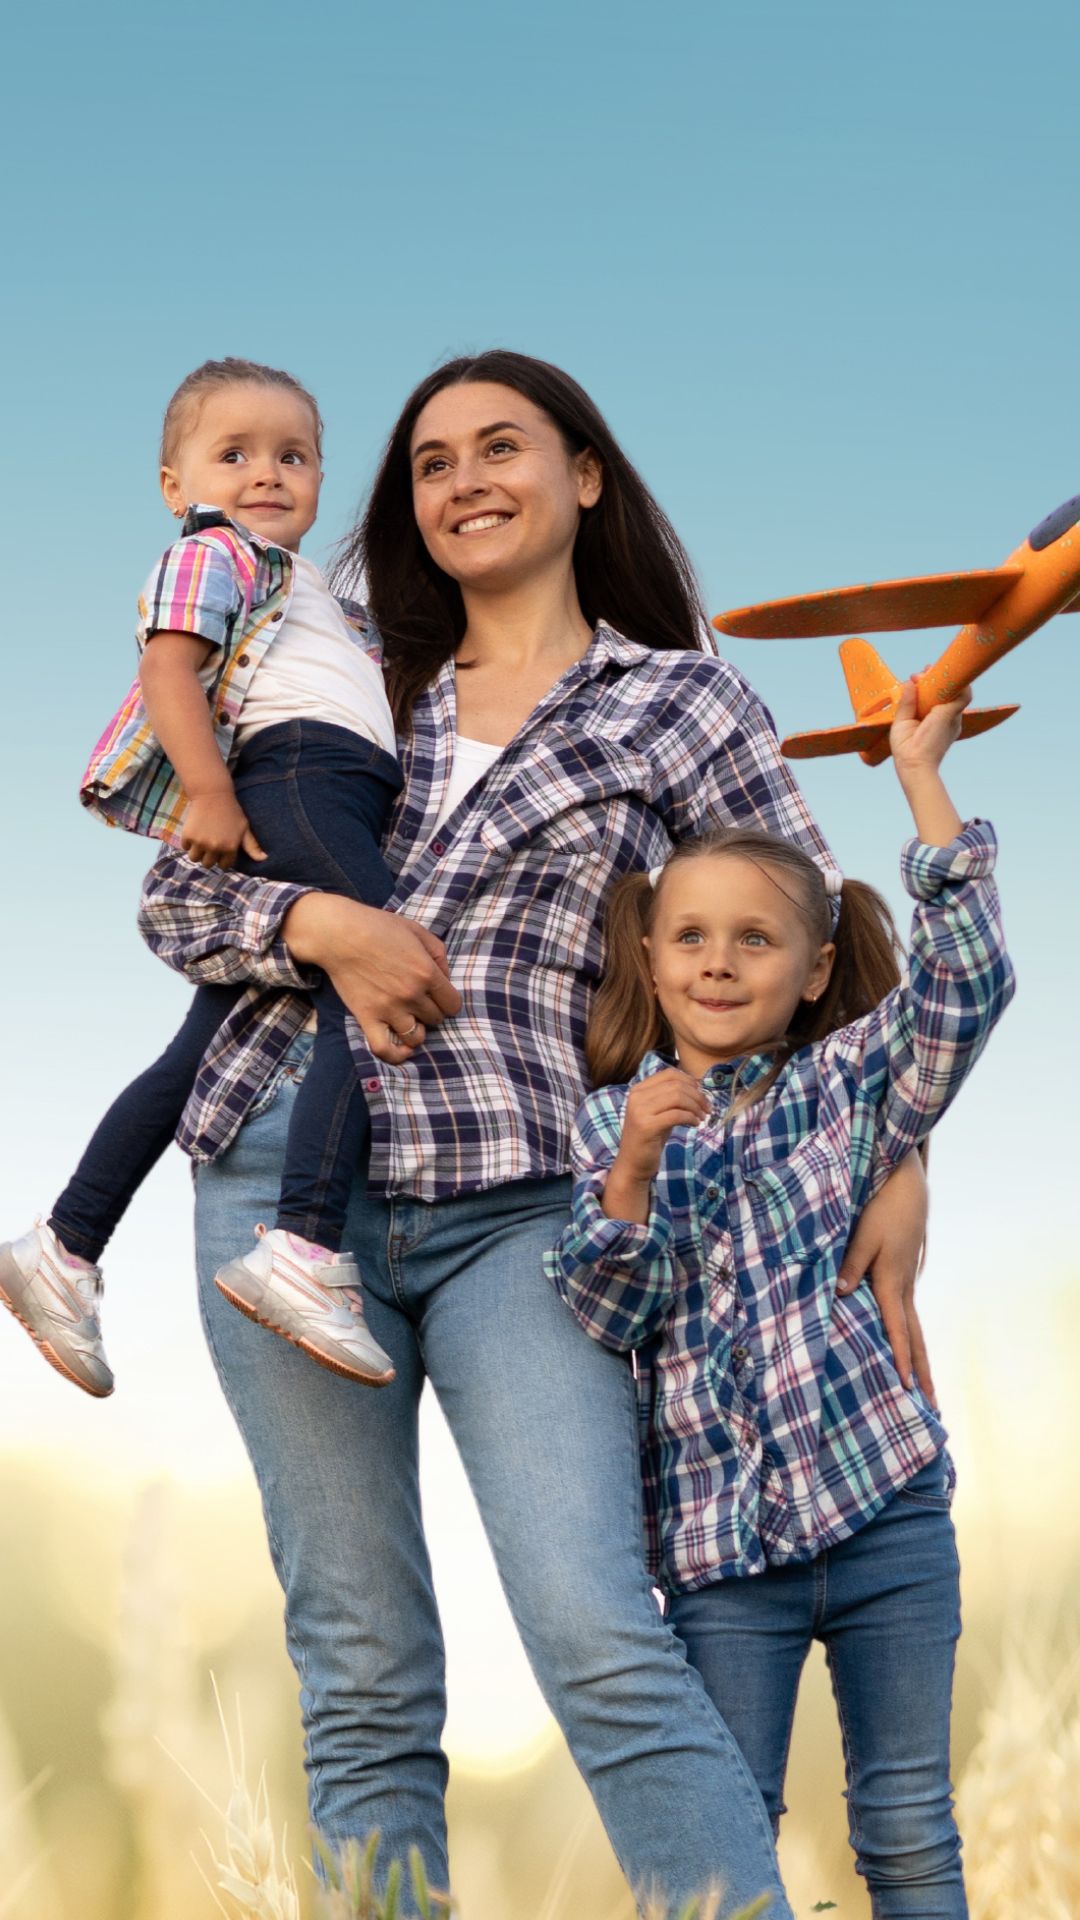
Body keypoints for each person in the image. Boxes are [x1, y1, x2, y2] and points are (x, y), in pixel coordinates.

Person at [133, 349, 929, 1917]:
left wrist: (895, 1161)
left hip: (527, 1208)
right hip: (283, 1186)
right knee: (362, 1668)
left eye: (503, 447)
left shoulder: (681, 699)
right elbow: (179, 885)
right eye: (430, 462)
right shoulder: (334, 655)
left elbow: (819, 934)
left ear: (583, 475)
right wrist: (327, 930)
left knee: (598, 1628)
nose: (464, 480)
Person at [547, 679, 1015, 1917]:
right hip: (722, 1560)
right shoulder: (606, 1127)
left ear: (813, 974)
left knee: (908, 1825)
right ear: (649, 956)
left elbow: (964, 994)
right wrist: (637, 1170)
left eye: (755, 941)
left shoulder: (845, 1088)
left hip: (884, 1518)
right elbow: (606, 1311)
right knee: (729, 1828)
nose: (718, 962)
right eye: (692, 936)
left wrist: (922, 782)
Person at [0, 357, 400, 1397]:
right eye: (235, 454)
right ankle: (304, 1248)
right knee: (377, 975)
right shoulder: (213, 554)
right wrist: (210, 793)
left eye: (294, 455)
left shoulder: (325, 598)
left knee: (208, 1040)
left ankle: (63, 1245)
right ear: (177, 486)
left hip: (340, 788)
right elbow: (169, 668)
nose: (268, 472)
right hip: (295, 774)